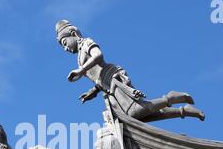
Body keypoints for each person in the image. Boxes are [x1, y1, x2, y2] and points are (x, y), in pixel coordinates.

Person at [56, 20, 205, 122]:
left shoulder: (87, 42)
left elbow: (98, 56)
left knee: (135, 111)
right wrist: (93, 91)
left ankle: (170, 98)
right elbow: (97, 75)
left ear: (73, 34)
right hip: (107, 88)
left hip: (114, 79)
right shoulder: (79, 56)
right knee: (136, 118)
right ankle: (183, 111)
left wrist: (81, 70)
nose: (65, 48)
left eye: (64, 42)